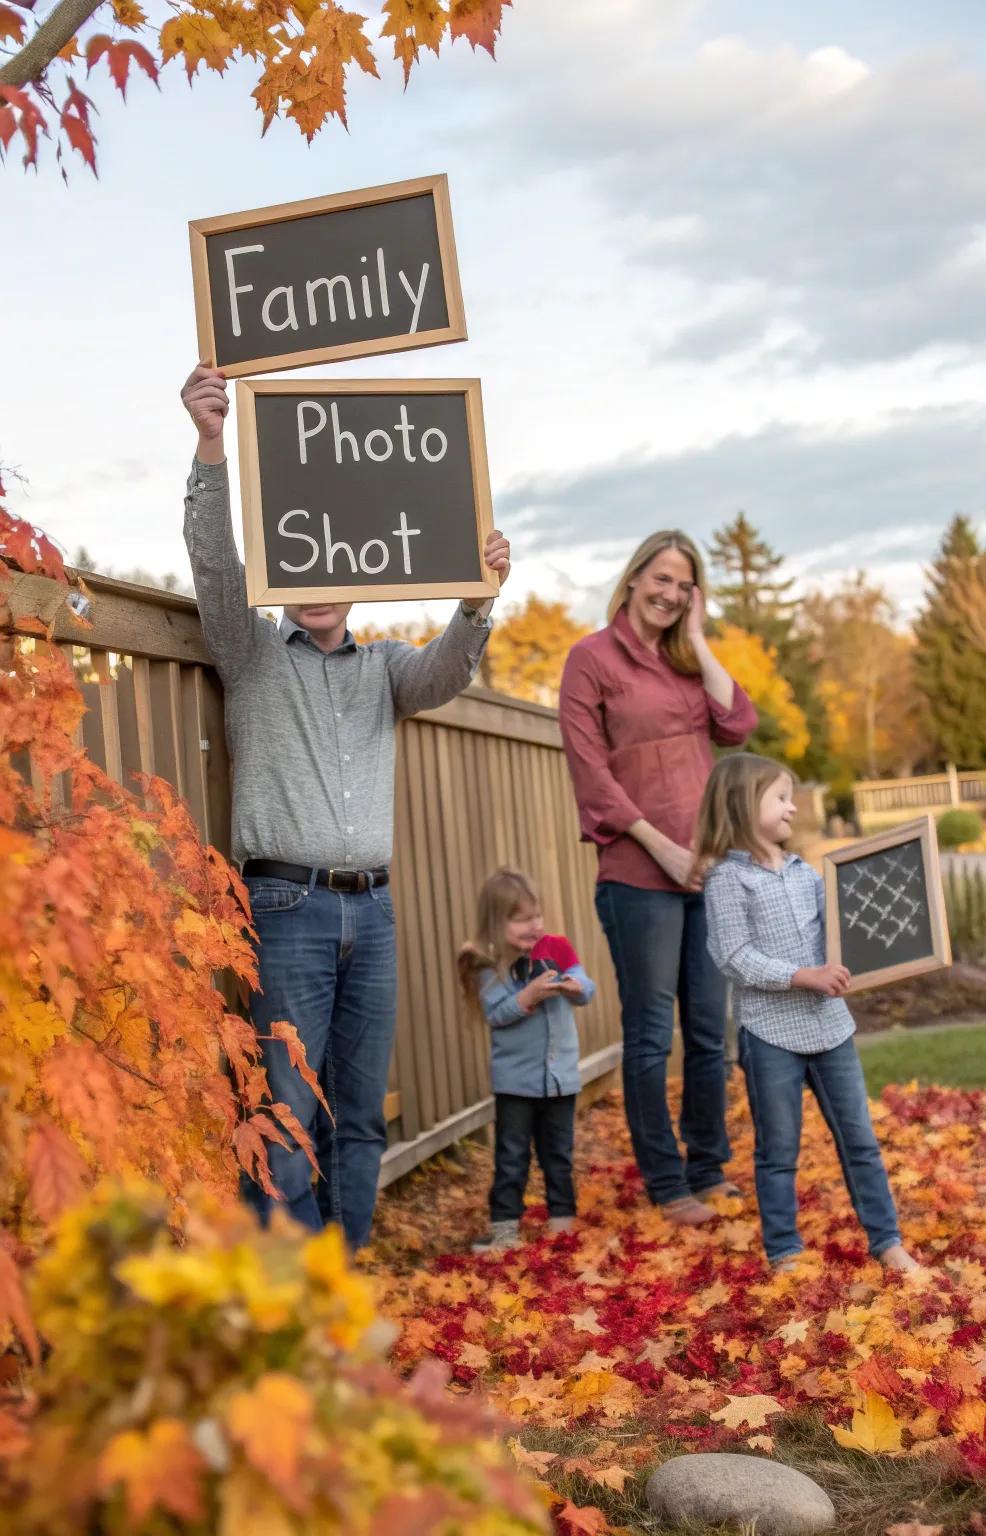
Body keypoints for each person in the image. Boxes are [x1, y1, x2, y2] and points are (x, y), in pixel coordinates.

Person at [179, 363, 512, 1250]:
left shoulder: (384, 668)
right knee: (287, 1114)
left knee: (358, 1112)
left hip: (375, 905)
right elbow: (216, 564)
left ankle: (343, 1280)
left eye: (333, 561)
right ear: (281, 574)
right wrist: (212, 445)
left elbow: (446, 672)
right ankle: (290, 1313)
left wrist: (475, 601)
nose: (316, 579)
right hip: (286, 910)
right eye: (298, 561)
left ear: (362, 571)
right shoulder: (250, 652)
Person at [559, 532, 757, 1226]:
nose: (670, 594)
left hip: (712, 873)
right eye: (662, 580)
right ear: (636, 575)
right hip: (638, 874)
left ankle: (708, 1166)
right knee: (650, 1035)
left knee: (709, 1030)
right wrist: (661, 847)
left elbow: (737, 723)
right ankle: (667, 1182)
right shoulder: (590, 659)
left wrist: (699, 638)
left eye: (684, 585)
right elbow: (591, 772)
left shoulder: (686, 662)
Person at [695, 752, 921, 1273]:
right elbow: (732, 954)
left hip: (831, 1028)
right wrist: (802, 976)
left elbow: (842, 932)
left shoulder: (806, 873)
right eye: (780, 797)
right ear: (741, 804)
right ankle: (784, 1252)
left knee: (860, 1140)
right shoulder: (727, 880)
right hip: (770, 1033)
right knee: (779, 1149)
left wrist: (887, 945)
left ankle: (887, 1241)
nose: (793, 807)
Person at [458, 867, 596, 1251]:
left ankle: (563, 1224)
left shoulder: (556, 950)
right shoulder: (488, 967)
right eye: (521, 920)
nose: (533, 926)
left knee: (559, 1154)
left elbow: (587, 987)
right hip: (516, 1083)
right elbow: (496, 1014)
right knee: (512, 1156)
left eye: (536, 916)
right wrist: (529, 996)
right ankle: (504, 1230)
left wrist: (575, 986)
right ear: (495, 923)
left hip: (559, 1078)